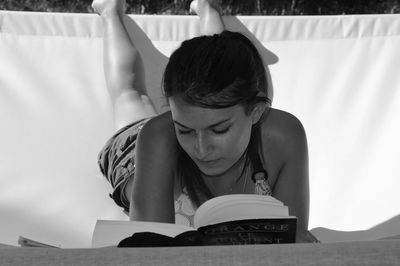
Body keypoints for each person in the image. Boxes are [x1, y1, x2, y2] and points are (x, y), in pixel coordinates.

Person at [93, 0, 317, 243]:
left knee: (220, 63)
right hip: (138, 151)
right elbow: (151, 251)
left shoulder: (284, 136)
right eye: (186, 131)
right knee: (131, 95)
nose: (201, 150)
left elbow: (292, 242)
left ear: (256, 112)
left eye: (219, 130)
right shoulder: (157, 137)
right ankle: (110, 11)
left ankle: (207, 7)